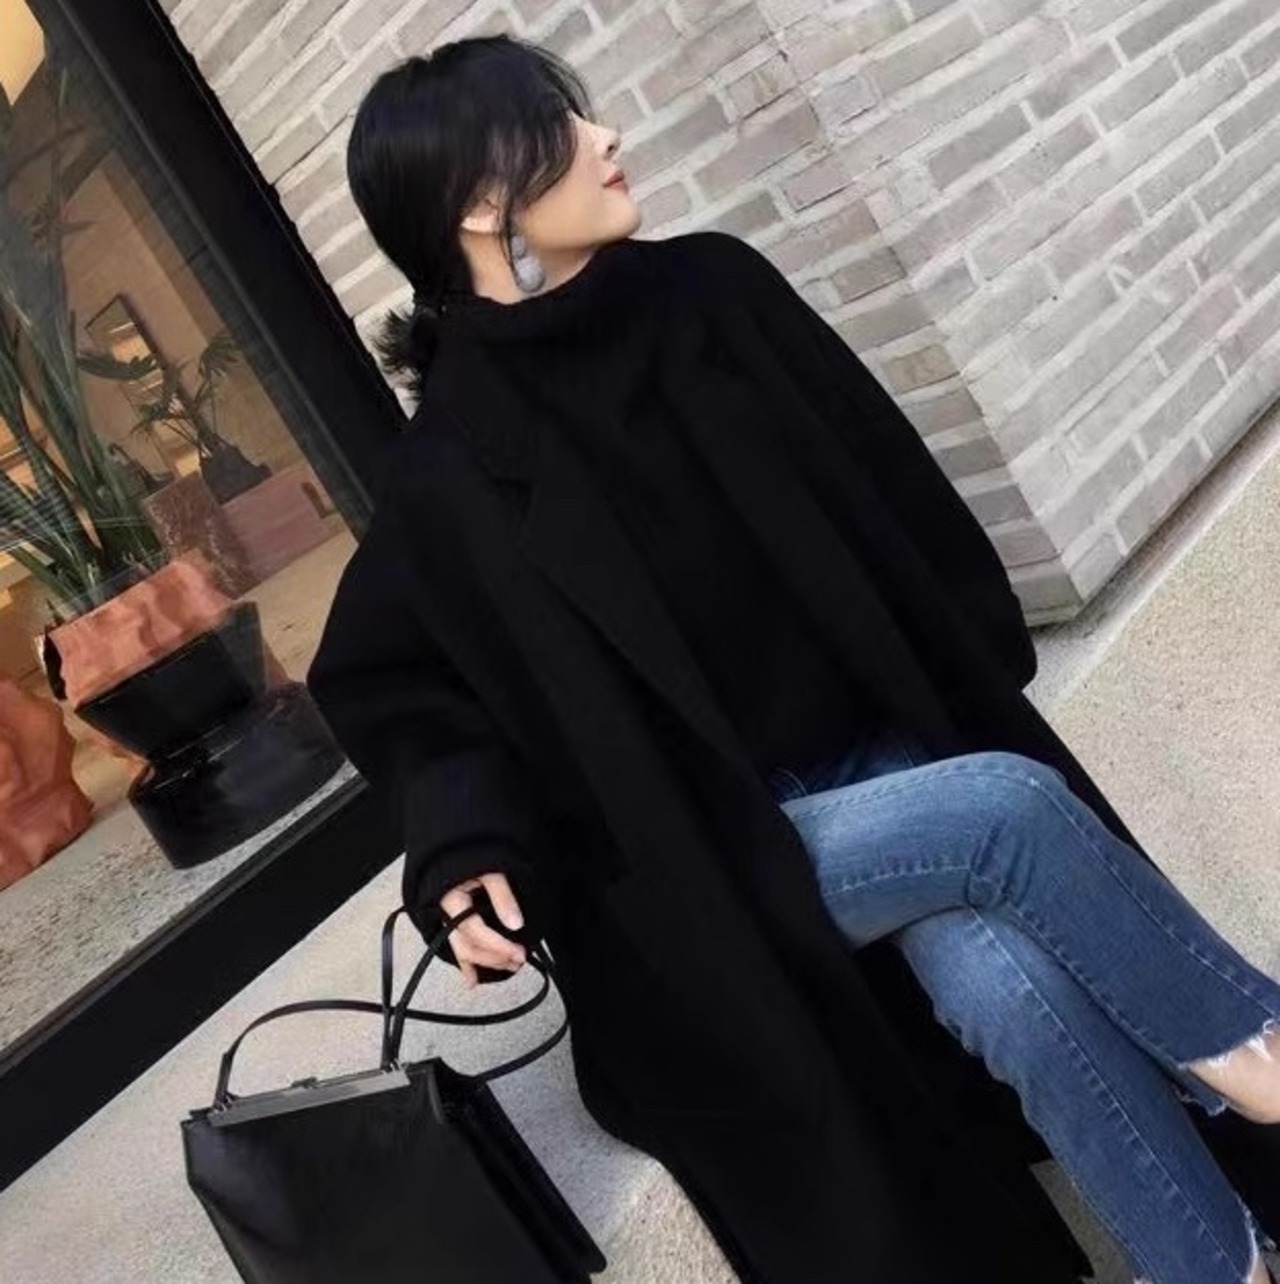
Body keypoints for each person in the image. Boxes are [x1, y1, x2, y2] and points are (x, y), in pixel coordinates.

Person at [305, 34, 1280, 1284]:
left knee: (1010, 993)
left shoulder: (713, 296)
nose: (606, 139)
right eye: (560, 127)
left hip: (886, 763)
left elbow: (885, 469)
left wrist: (958, 655)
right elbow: (394, 682)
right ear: (482, 203)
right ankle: (1249, 1055)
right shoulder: (449, 472)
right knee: (1007, 809)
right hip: (707, 850)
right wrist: (460, 850)